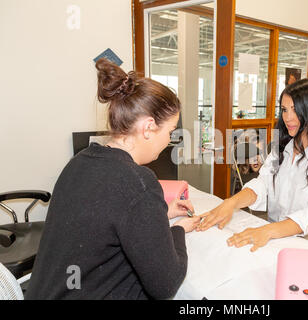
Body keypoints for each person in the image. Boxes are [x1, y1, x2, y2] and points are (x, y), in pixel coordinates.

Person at [25, 58, 200, 300]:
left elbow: (106, 219)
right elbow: (166, 286)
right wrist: (177, 230)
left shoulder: (80, 162)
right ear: (149, 127)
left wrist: (158, 214)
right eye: (170, 131)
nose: (169, 140)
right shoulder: (139, 182)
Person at [198, 79, 308, 252]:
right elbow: (262, 184)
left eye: (296, 110)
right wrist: (231, 203)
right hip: (277, 238)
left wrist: (267, 230)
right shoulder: (281, 149)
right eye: (284, 110)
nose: (288, 117)